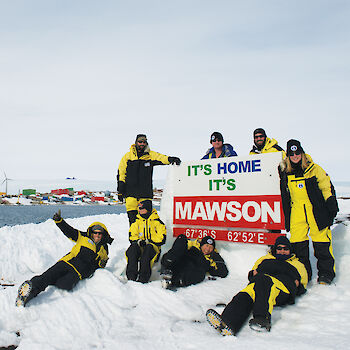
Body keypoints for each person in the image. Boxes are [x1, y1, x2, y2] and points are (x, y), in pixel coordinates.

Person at [206, 236, 307, 335]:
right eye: (279, 248)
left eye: (286, 249)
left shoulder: (297, 264)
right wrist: (253, 274)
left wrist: (298, 287)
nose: (282, 251)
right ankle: (227, 322)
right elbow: (253, 274)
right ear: (275, 249)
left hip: (281, 288)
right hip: (260, 283)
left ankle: (262, 319)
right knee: (245, 293)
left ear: (290, 250)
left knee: (264, 281)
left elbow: (303, 284)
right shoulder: (265, 259)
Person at [16, 210, 113, 307]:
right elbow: (69, 231)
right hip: (66, 263)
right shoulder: (83, 237)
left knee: (63, 286)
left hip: (77, 273)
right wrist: (59, 221)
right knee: (47, 277)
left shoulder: (104, 249)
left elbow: (99, 266)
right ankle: (28, 293)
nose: (97, 235)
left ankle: (40, 286)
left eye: (100, 233)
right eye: (95, 232)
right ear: (91, 232)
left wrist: (100, 265)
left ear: (103, 235)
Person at [279, 139, 338, 284]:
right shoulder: (285, 171)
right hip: (296, 211)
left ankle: (326, 274)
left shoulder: (313, 168)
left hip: (316, 210)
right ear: (288, 155)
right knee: (298, 245)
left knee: (321, 243)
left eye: (297, 153)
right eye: (291, 154)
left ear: (302, 153)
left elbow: (326, 186)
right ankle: (303, 273)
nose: (295, 156)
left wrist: (331, 202)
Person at [117, 134, 181, 225]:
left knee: (146, 221)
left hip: (145, 194)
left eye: (144, 142)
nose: (142, 144)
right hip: (131, 194)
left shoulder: (150, 155)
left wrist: (171, 159)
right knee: (133, 221)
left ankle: (147, 238)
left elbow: (161, 157)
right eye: (140, 142)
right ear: (136, 142)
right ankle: (134, 239)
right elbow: (121, 173)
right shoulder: (127, 157)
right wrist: (120, 190)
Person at [160, 234, 228, 289]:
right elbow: (181, 243)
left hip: (184, 273)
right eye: (206, 246)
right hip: (174, 263)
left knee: (201, 273)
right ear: (201, 244)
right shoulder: (193, 245)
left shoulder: (210, 259)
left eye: (210, 247)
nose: (207, 249)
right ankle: (168, 269)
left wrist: (215, 257)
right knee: (182, 239)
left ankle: (174, 281)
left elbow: (223, 272)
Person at [125, 200, 166, 283]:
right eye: (139, 208)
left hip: (153, 248)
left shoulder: (157, 222)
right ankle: (131, 277)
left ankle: (143, 278)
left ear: (148, 209)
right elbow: (132, 235)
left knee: (148, 250)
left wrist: (149, 241)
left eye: (141, 208)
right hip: (140, 247)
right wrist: (138, 241)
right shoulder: (136, 222)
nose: (139, 210)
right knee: (132, 249)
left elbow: (162, 238)